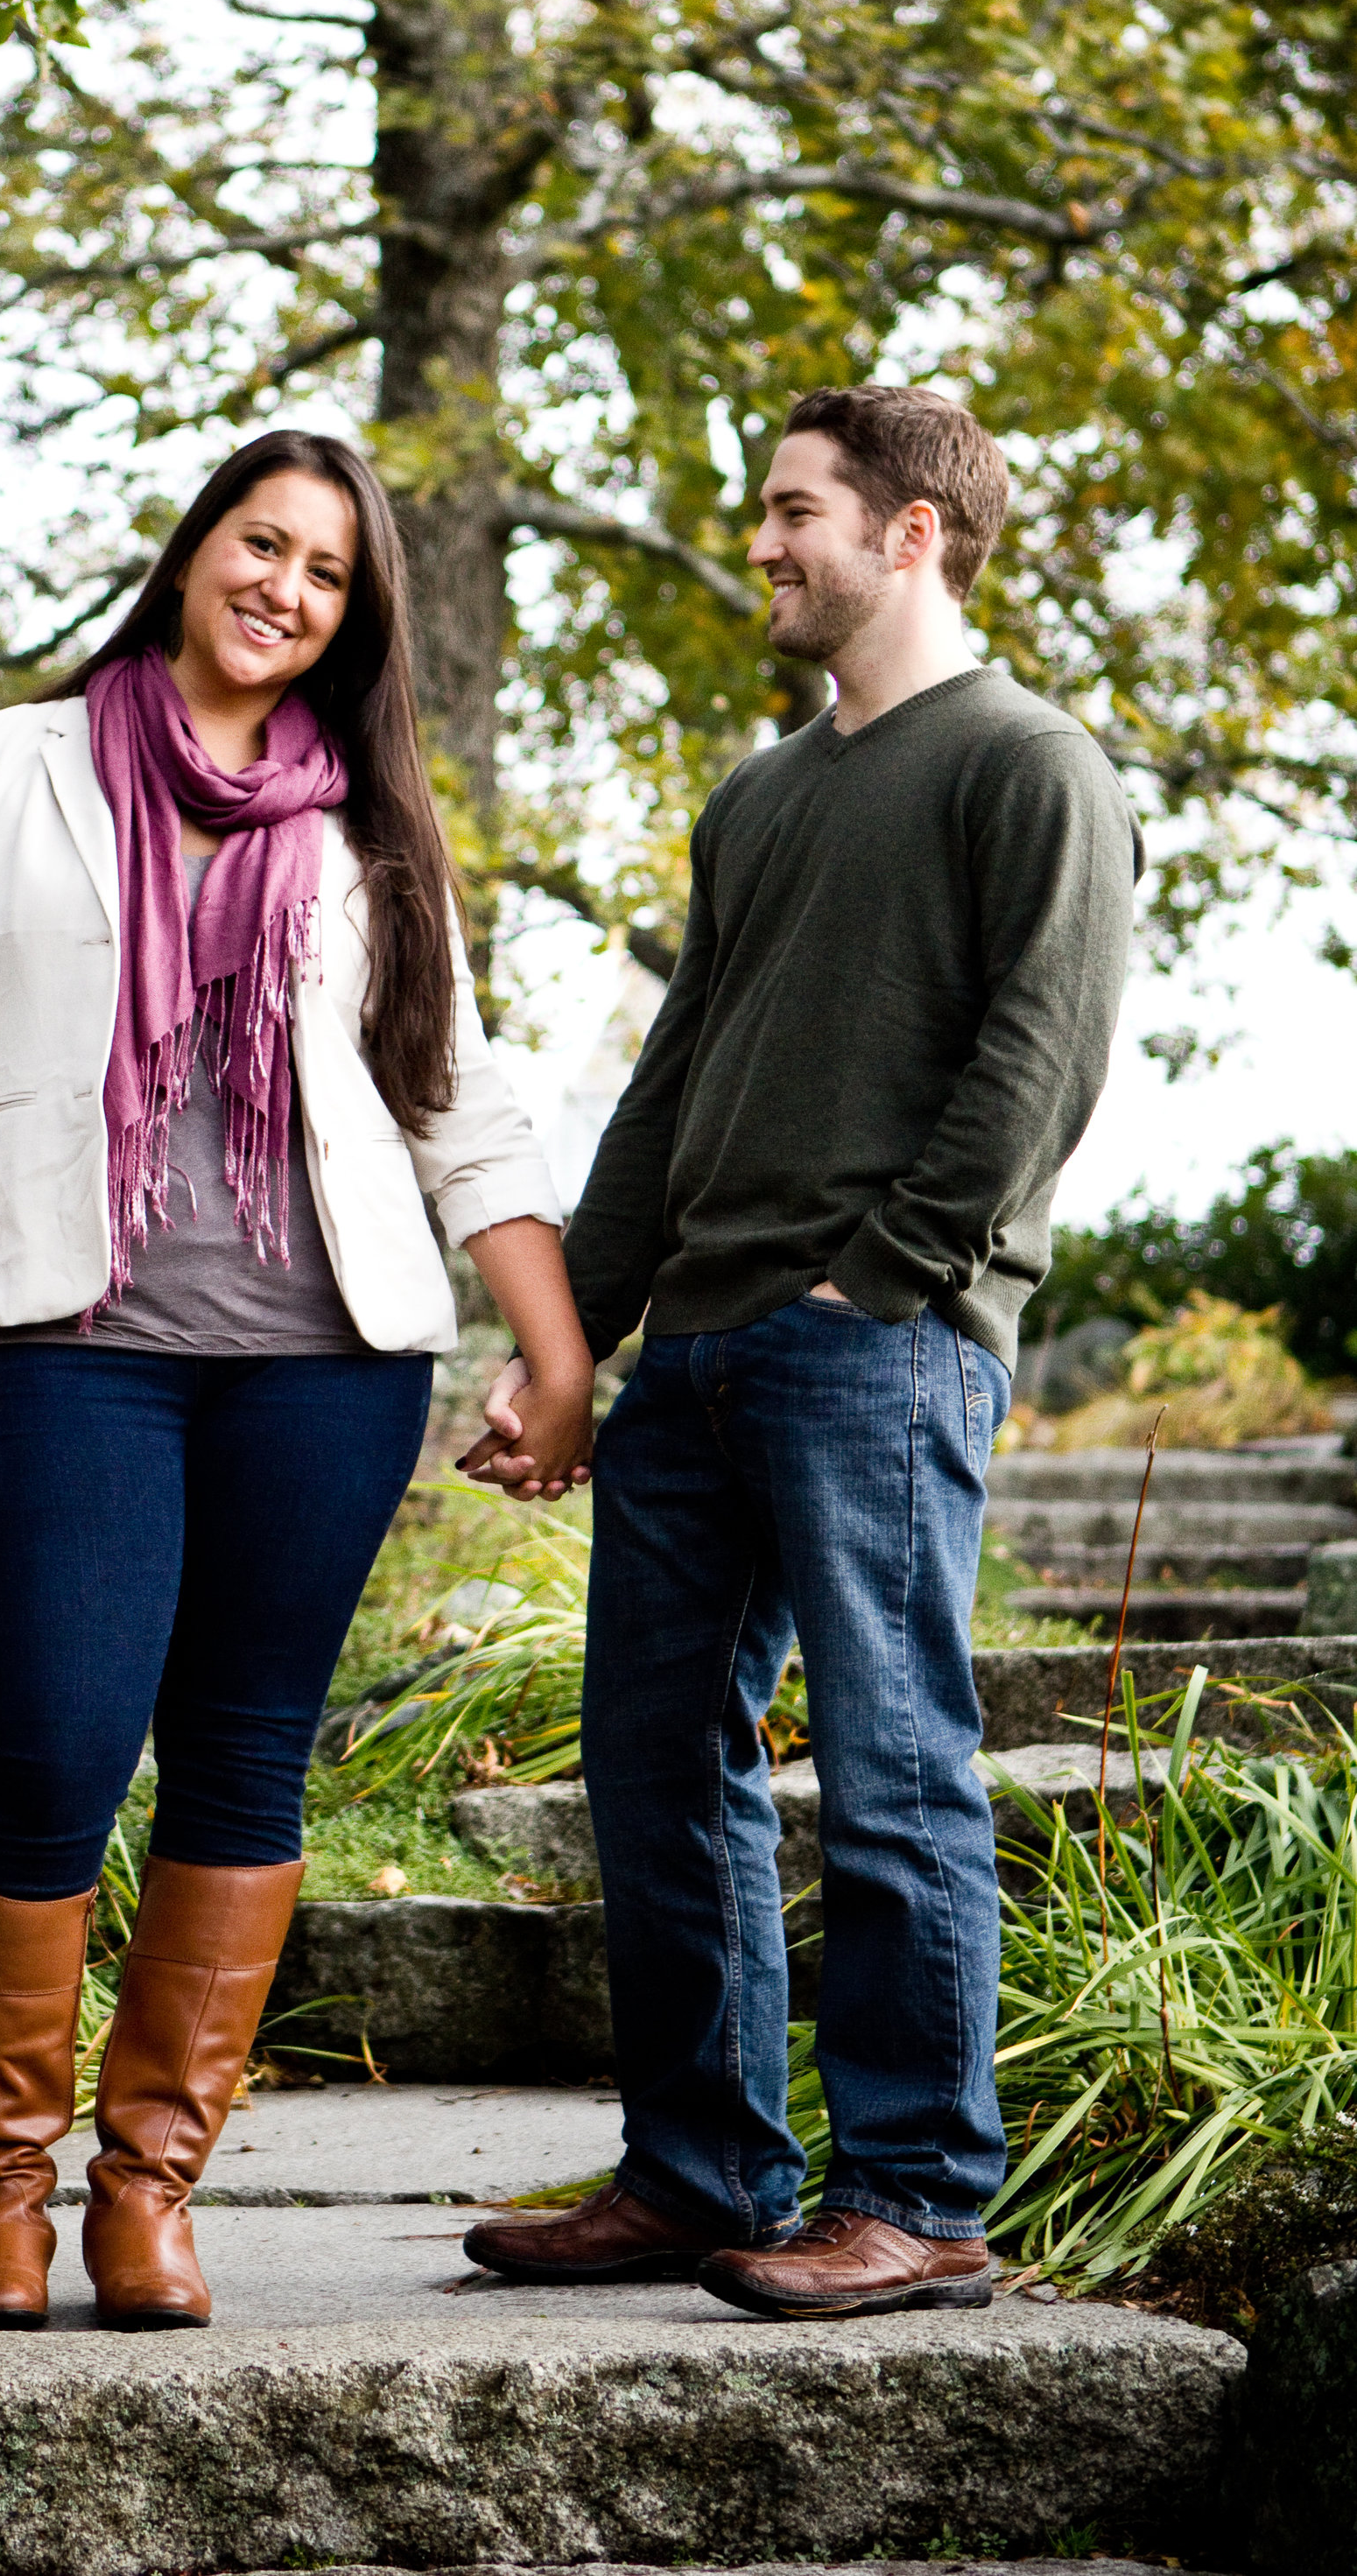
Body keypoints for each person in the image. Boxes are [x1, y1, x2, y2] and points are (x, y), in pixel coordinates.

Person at [0, 429, 594, 2334]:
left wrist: (555, 1343)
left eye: (328, 574)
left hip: (325, 1364)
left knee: (245, 1757)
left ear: (352, 620)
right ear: (192, 554)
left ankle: (147, 2194)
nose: (286, 588)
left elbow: (450, 1100)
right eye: (263, 544)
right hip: (70, 1349)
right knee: (54, 1752)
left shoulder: (366, 826)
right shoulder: (4, 767)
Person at [464, 385, 1143, 2320]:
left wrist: (888, 1273)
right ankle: (699, 2174)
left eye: (790, 511)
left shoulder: (1025, 763)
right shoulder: (758, 795)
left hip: (877, 1347)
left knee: (889, 1763)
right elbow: (670, 1088)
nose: (759, 543)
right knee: (647, 1760)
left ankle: (918, 2197)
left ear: (908, 531)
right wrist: (568, 1335)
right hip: (694, 1353)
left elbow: (1044, 1045)